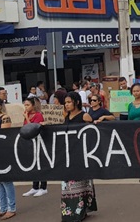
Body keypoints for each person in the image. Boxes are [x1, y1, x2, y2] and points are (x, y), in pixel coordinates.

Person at [61, 91, 96, 222]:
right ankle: (69, 211)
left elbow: (93, 134)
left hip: (81, 154)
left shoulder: (84, 116)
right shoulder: (66, 116)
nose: (67, 105)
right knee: (68, 183)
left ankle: (81, 210)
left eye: (69, 102)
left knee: (81, 183)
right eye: (65, 102)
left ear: (76, 102)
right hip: (68, 154)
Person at [22, 98, 48, 198]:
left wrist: (27, 118)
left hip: (39, 142)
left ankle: (43, 187)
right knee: (33, 165)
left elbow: (32, 129)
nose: (26, 107)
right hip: (30, 143)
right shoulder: (26, 115)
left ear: (33, 105)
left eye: (28, 105)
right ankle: (35, 186)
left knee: (41, 164)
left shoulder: (38, 115)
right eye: (25, 105)